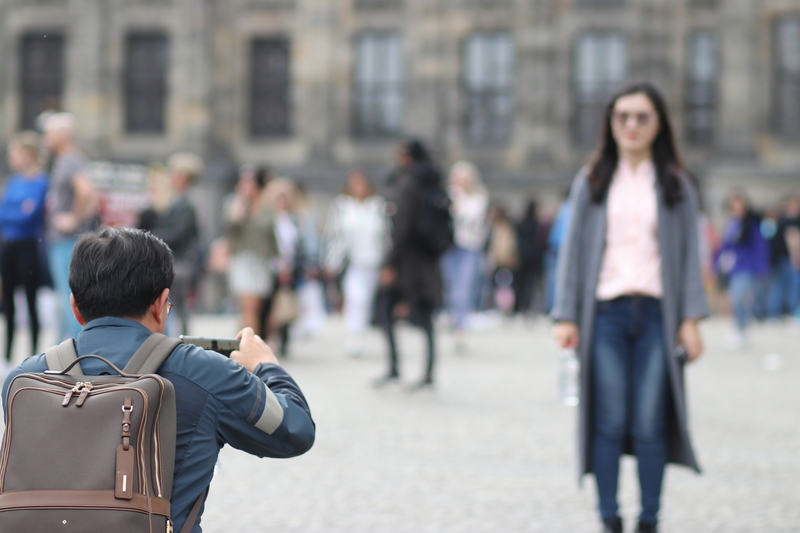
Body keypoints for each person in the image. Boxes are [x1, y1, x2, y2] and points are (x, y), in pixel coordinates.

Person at [2, 227, 315, 532]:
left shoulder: (25, 379)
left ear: (75, 308)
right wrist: (266, 366)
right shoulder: (205, 373)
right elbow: (295, 430)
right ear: (160, 305)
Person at [552, 82, 708, 533]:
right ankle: (608, 517)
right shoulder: (593, 179)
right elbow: (574, 253)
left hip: (658, 315)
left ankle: (650, 519)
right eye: (623, 117)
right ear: (610, 123)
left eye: (642, 117)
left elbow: (688, 258)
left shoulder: (676, 184)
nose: (632, 126)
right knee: (609, 418)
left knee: (649, 421)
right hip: (606, 315)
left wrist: (691, 320)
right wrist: (564, 315)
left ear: (659, 124)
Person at [376, 139, 443, 389]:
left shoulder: (407, 183)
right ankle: (428, 371)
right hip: (426, 259)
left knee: (385, 310)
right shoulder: (432, 181)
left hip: (406, 261)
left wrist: (389, 264)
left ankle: (395, 367)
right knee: (425, 316)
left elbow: (400, 227)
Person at [43, 112, 97, 341]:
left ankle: (74, 352)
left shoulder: (70, 159)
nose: (45, 139)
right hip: (66, 240)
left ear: (62, 135)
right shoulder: (68, 160)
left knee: (70, 298)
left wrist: (73, 219)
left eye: (48, 134)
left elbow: (86, 192)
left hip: (67, 241)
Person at [322, 170, 388, 356]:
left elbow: (384, 235)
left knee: (365, 299)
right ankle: (354, 335)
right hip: (351, 261)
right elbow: (334, 234)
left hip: (373, 260)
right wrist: (330, 260)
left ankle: (360, 330)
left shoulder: (377, 206)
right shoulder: (342, 206)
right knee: (354, 297)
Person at [139, 152, 202, 336]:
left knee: (175, 307)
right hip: (177, 259)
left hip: (180, 260)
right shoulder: (177, 200)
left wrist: (151, 236)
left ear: (183, 177)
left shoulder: (187, 203)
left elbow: (178, 232)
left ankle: (180, 341)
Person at [0, 131, 48, 366]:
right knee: (7, 299)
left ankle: (34, 355)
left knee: (30, 301)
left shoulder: (40, 181)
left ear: (27, 154)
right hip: (9, 245)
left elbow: (30, 215)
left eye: (15, 153)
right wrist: (17, 211)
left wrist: (15, 213)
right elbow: (5, 214)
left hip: (28, 246)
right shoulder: (14, 182)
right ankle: (7, 355)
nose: (11, 157)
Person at [225, 166, 279, 337]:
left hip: (262, 261)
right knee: (248, 305)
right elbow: (233, 222)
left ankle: (244, 340)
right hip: (243, 259)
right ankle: (248, 343)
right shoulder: (236, 205)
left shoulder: (266, 207)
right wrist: (242, 199)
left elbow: (272, 235)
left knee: (256, 307)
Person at [440, 161, 488, 347]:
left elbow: (470, 218)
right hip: (451, 246)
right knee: (450, 285)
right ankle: (453, 317)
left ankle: (461, 324)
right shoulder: (449, 195)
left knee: (465, 286)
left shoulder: (479, 197)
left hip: (470, 246)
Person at [715, 191, 770, 348]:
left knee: (740, 298)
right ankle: (740, 328)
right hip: (733, 267)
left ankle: (742, 328)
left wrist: (762, 267)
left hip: (747, 267)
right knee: (736, 299)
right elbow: (725, 246)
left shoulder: (751, 224)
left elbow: (760, 247)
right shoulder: (731, 224)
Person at [514, 199, 545, 316]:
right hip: (533, 256)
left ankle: (518, 306)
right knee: (530, 284)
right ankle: (526, 306)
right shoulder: (537, 224)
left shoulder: (520, 224)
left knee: (520, 283)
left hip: (522, 255)